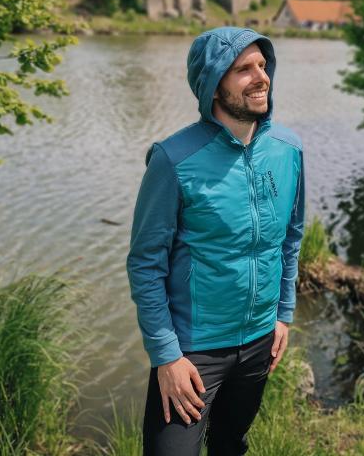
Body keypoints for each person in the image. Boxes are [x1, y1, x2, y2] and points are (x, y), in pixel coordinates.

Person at [126, 26, 306, 456]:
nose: (261, 77)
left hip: (260, 341)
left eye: (263, 65)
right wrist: (167, 356)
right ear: (213, 83)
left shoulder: (288, 149)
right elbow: (146, 264)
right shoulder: (173, 159)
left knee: (230, 445)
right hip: (193, 351)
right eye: (244, 69)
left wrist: (283, 314)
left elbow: (290, 238)